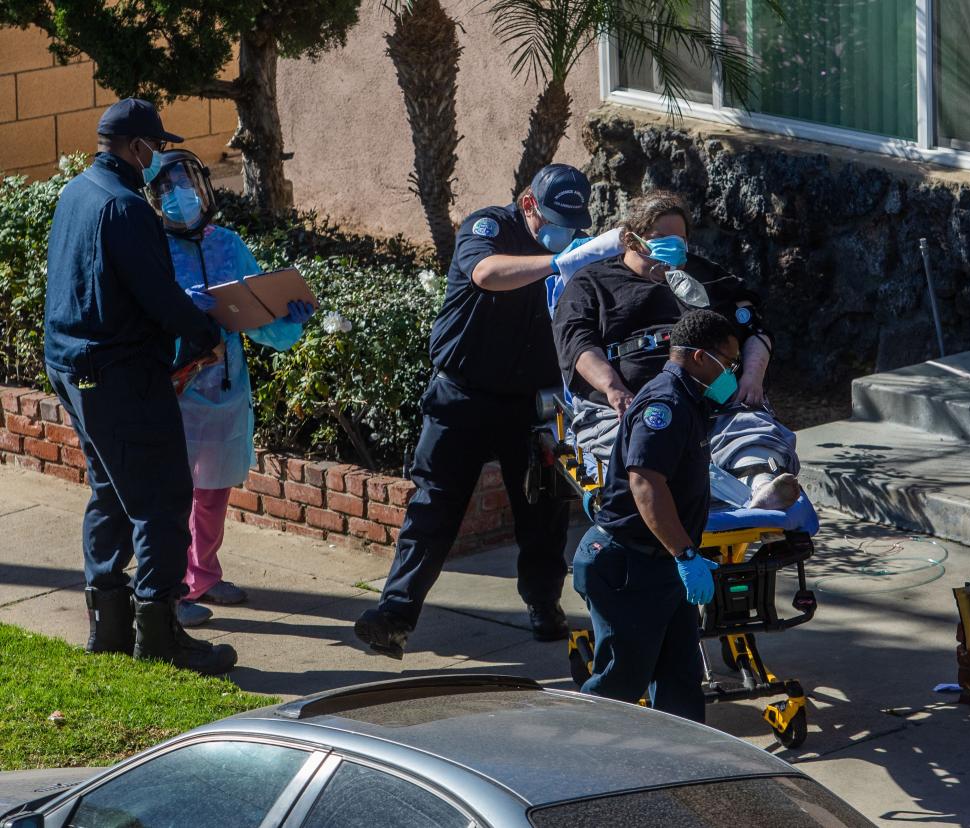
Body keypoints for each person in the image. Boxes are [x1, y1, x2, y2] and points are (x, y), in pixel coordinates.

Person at [354, 164, 616, 658]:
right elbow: (486, 274)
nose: (564, 233)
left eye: (574, 225)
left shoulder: (577, 250)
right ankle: (394, 616)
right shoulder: (490, 228)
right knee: (433, 506)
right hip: (463, 395)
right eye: (555, 220)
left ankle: (543, 606)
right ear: (529, 204)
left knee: (542, 511)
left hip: (533, 403)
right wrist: (561, 262)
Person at [42, 98, 236, 675]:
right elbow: (158, 295)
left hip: (73, 364)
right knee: (161, 500)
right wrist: (205, 334)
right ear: (136, 148)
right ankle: (160, 633)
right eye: (153, 147)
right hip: (120, 371)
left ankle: (108, 626)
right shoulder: (127, 208)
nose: (157, 159)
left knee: (110, 490)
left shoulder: (77, 191)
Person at [145, 149, 314, 627]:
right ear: (154, 197)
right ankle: (171, 591)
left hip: (225, 388)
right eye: (168, 188)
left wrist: (287, 319)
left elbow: (256, 312)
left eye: (188, 184)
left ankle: (204, 573)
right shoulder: (150, 247)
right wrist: (182, 307)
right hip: (175, 389)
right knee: (174, 494)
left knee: (214, 490)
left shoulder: (227, 244)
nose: (182, 195)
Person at [551, 190, 798, 508]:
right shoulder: (591, 283)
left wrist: (752, 377)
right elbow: (577, 344)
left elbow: (754, 327)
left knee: (748, 427)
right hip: (629, 403)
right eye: (660, 238)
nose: (672, 246)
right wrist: (613, 389)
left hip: (711, 396)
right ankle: (710, 490)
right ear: (631, 239)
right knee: (647, 444)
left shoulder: (707, 276)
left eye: (680, 239)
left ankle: (763, 485)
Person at [572, 309, 740, 723]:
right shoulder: (664, 404)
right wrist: (685, 555)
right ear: (701, 357)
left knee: (680, 682)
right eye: (729, 362)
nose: (732, 372)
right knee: (619, 684)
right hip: (630, 567)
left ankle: (680, 771)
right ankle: (572, 761)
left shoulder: (689, 399)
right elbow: (646, 483)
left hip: (662, 564)